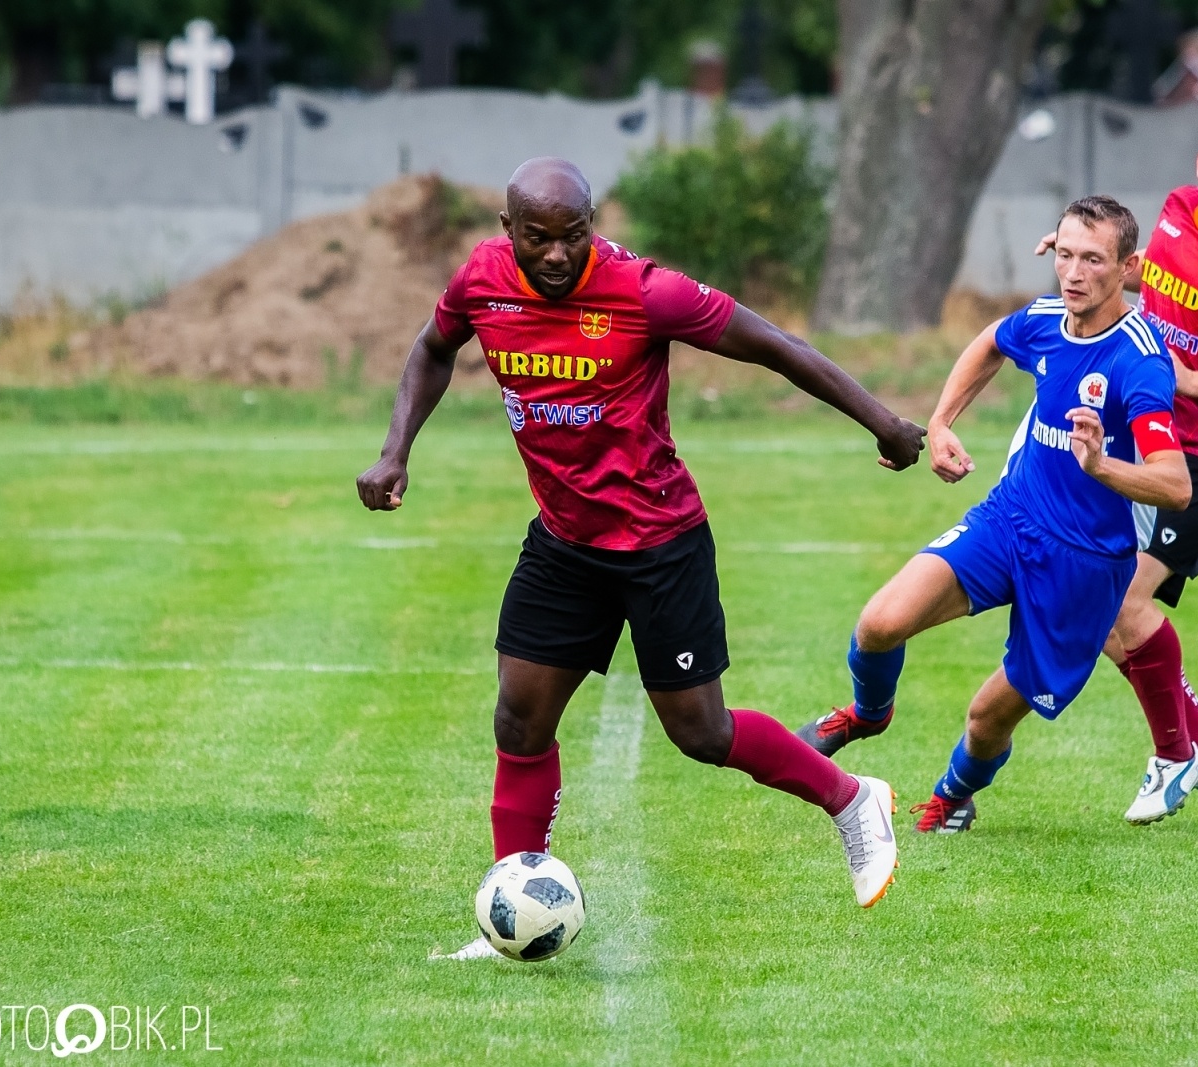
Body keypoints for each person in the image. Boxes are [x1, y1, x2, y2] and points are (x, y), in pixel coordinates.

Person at [357, 159, 926, 938]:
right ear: (508, 233)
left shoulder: (643, 291)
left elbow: (773, 344)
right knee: (519, 720)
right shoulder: (482, 281)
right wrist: (396, 451)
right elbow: (431, 348)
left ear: (594, 223)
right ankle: (509, 913)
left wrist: (884, 422)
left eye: (574, 235)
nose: (557, 255)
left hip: (660, 541)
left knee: (702, 734)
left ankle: (852, 797)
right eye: (538, 239)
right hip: (564, 543)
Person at [797, 195, 1192, 834]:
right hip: (1011, 519)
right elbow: (990, 342)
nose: (1074, 273)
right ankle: (868, 715)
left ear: (1129, 269)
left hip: (1086, 567)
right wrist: (944, 420)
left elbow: (1176, 486)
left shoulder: (1137, 361)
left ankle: (954, 794)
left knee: (986, 719)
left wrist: (1102, 468)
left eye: (1093, 259)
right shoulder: (1045, 320)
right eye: (1065, 255)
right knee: (878, 623)